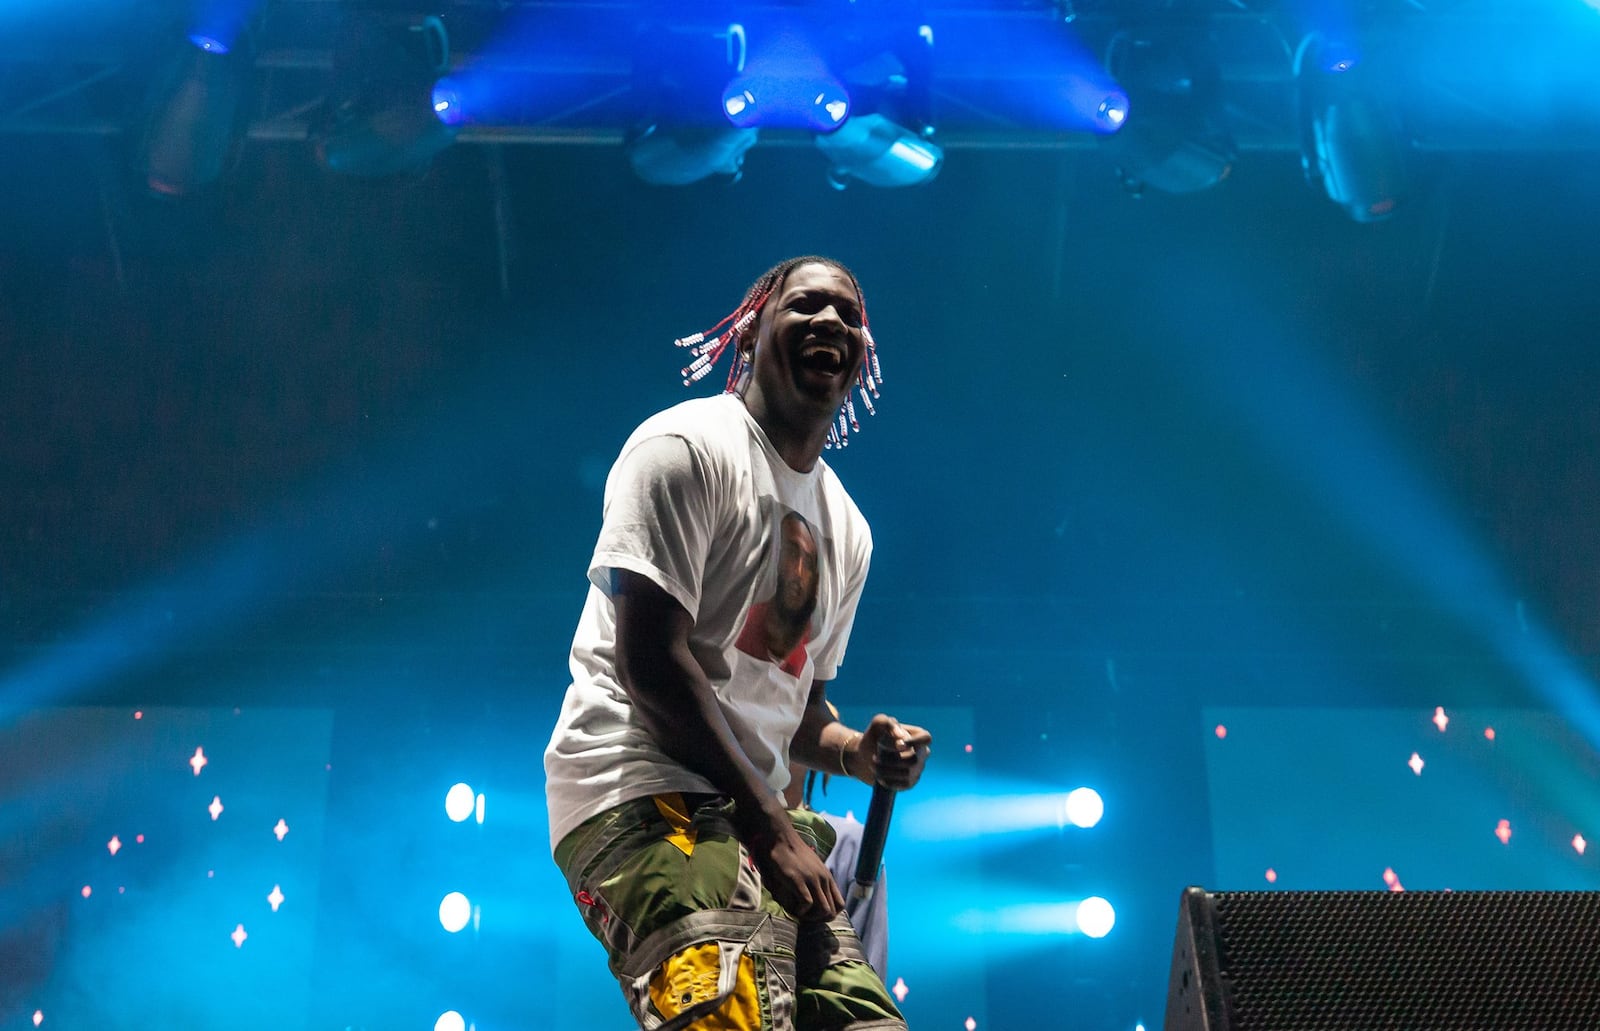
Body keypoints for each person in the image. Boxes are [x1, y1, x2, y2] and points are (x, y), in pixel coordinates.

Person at [544, 256, 931, 1031]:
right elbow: (651, 663)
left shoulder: (847, 529)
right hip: (645, 792)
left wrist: (858, 751)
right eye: (806, 305)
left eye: (849, 316)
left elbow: (795, 706)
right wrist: (771, 827)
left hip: (758, 820)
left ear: (862, 358)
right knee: (735, 1018)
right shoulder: (687, 448)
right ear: (752, 332)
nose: (832, 322)